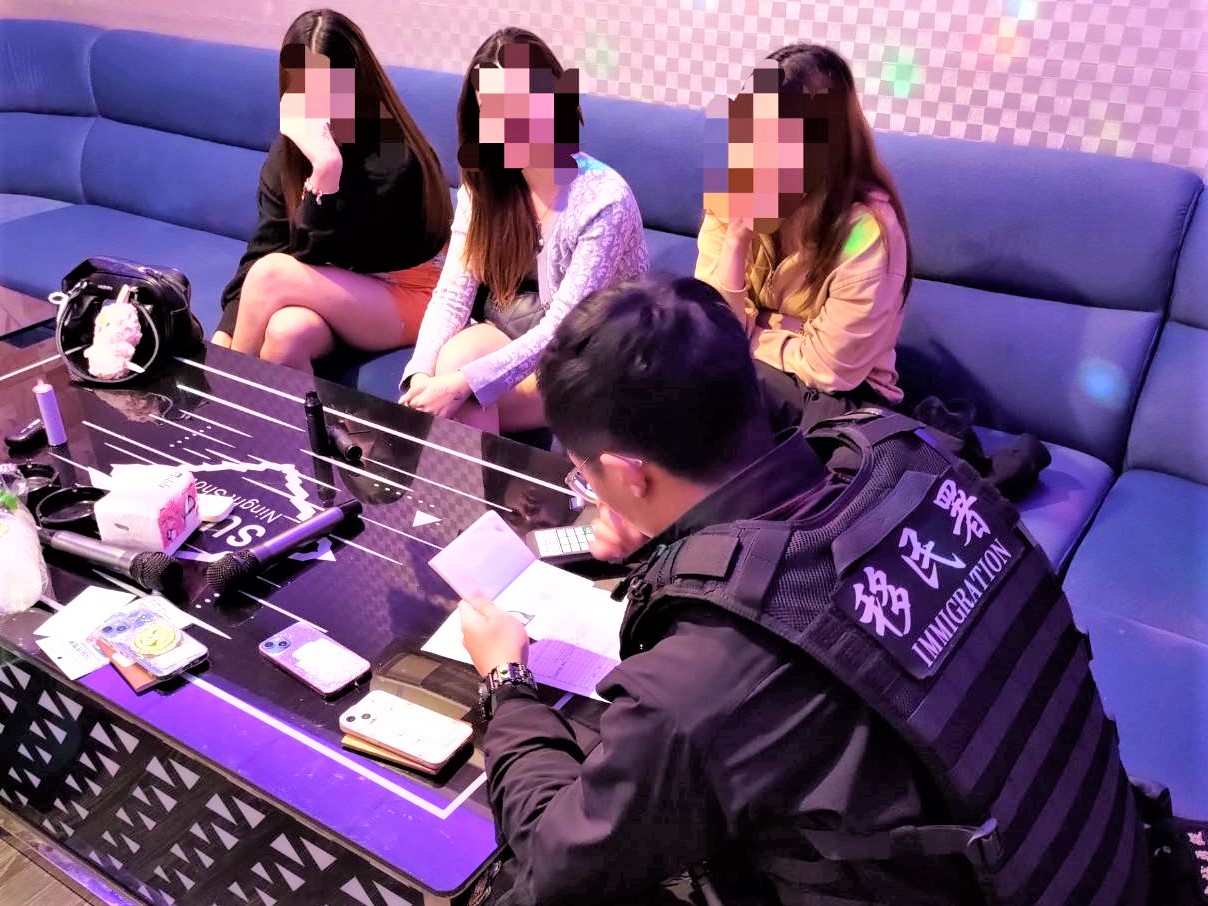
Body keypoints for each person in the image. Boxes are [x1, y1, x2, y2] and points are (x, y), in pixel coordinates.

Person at [456, 274, 1149, 906]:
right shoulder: (914, 460)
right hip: (1101, 859)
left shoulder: (706, 674)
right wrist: (668, 523)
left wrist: (506, 682)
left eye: (586, 476)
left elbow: (557, 865)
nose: (592, 492)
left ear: (630, 472)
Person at [398, 28, 647, 435]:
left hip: (594, 354)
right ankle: (470, 478)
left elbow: (565, 327)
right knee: (453, 361)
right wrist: (420, 376)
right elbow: (452, 295)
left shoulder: (604, 199)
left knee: (467, 390)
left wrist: (463, 384)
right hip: (520, 332)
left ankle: (465, 478)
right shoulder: (485, 183)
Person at [213, 9, 452, 372]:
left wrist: (325, 170)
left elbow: (313, 254)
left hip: (414, 292)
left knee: (271, 275)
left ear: (357, 82)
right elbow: (265, 246)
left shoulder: (392, 154)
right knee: (286, 333)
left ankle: (222, 392)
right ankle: (286, 411)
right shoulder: (293, 151)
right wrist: (224, 334)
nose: (317, 102)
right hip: (344, 289)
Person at [696, 44, 912, 431]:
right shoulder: (733, 188)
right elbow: (710, 328)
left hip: (843, 403)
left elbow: (828, 368)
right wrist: (736, 241)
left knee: (701, 393)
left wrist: (751, 331)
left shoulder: (866, 232)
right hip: (749, 373)